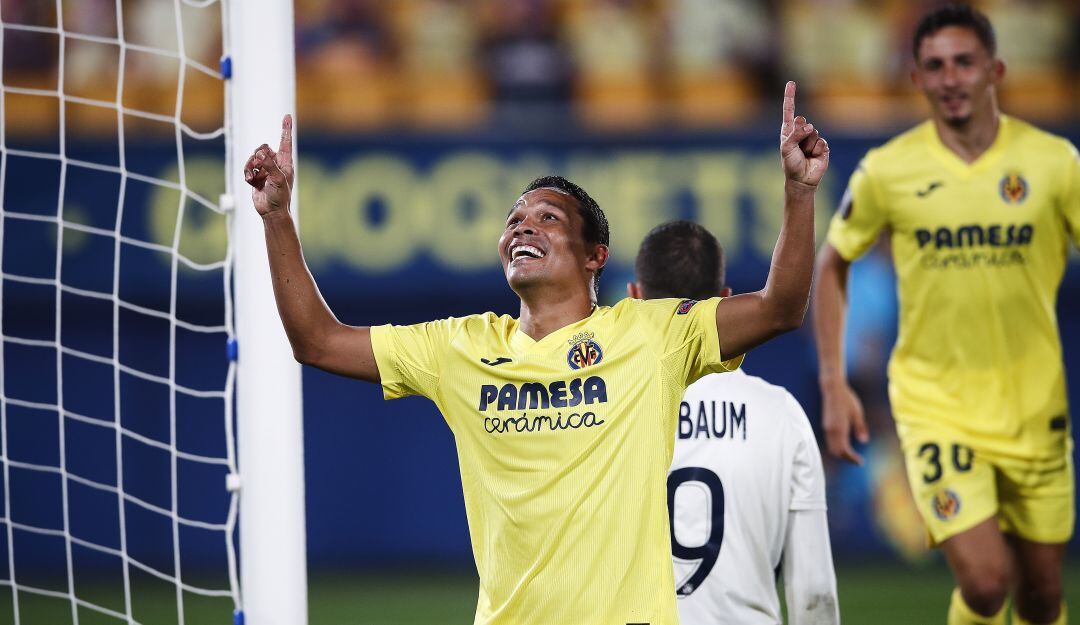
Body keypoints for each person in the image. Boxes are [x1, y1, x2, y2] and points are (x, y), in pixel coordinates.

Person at [244, 82, 828, 625]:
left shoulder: (650, 336)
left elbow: (779, 308)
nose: (524, 228)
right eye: (514, 219)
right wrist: (276, 219)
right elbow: (317, 341)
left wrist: (799, 193)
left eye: (547, 218)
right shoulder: (460, 348)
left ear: (595, 255)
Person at [813, 6, 1079, 625]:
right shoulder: (890, 170)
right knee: (987, 583)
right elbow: (832, 264)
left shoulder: (1053, 163)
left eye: (964, 62)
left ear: (997, 71)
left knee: (1041, 597)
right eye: (935, 66)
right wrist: (832, 383)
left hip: (1035, 405)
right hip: (939, 407)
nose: (950, 78)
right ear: (917, 79)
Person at [630, 221, 838, 625]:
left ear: (634, 297)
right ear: (726, 300)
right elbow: (813, 593)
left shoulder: (604, 411)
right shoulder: (781, 414)